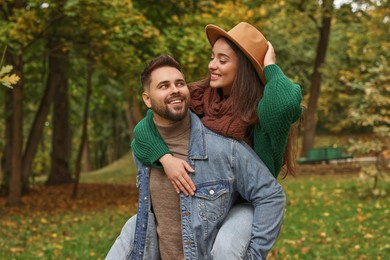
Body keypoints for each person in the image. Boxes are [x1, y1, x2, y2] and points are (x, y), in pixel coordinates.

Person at [106, 55, 286, 259]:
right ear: (147, 99)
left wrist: (253, 255)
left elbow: (271, 195)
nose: (175, 89)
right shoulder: (142, 149)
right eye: (164, 86)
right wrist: (165, 158)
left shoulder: (224, 148)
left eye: (179, 83)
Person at [132, 22, 302, 197]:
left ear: (244, 68)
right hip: (202, 201)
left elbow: (285, 104)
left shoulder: (262, 111)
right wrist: (166, 159)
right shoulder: (198, 97)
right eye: (212, 57)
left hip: (245, 204)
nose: (212, 65)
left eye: (222, 60)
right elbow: (146, 126)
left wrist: (269, 66)